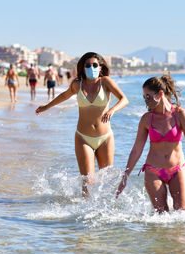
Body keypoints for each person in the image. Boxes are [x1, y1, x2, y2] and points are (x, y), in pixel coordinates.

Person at [36, 52, 129, 196]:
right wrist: (46, 107)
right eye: (88, 65)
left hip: (105, 138)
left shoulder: (105, 82)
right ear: (83, 67)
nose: (91, 67)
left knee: (106, 180)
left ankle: (102, 212)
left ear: (100, 67)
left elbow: (124, 99)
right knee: (88, 182)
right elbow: (63, 96)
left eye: (94, 65)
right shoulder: (77, 84)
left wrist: (112, 110)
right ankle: (82, 212)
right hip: (83, 137)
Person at [116, 75, 185, 213]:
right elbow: (136, 150)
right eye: (144, 97)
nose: (146, 101)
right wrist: (125, 176)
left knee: (183, 211)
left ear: (160, 94)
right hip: (153, 171)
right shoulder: (146, 119)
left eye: (148, 96)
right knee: (161, 214)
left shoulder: (180, 115)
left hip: (177, 169)